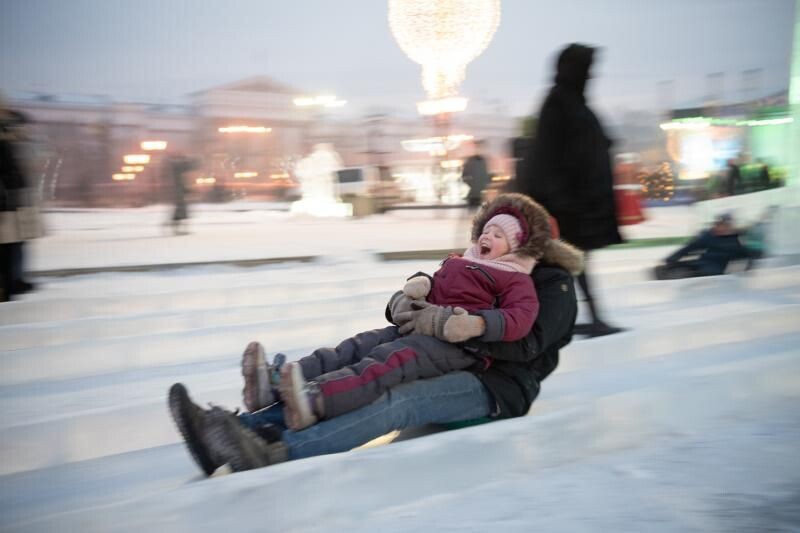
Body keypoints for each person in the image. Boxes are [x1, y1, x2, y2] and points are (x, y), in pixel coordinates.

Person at [167, 217, 583, 475]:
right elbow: (434, 289)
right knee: (357, 365)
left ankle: (277, 452)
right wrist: (405, 304)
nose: (496, 235)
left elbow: (527, 344)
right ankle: (240, 430)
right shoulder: (485, 264)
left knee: (401, 399)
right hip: (447, 351)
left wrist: (454, 325)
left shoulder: (552, 284)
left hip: (497, 384)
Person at [262, 193, 558, 431]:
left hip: (456, 346)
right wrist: (421, 285)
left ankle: (318, 400)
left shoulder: (515, 276)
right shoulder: (461, 261)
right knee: (358, 345)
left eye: (499, 235)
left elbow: (520, 319)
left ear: (514, 247)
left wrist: (476, 324)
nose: (488, 237)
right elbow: (436, 286)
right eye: (487, 230)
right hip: (419, 326)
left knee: (389, 361)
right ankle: (280, 382)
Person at [518, 43, 623, 338]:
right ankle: (533, 320)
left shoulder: (574, 102)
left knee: (568, 265)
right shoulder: (559, 103)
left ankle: (578, 317)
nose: (591, 76)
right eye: (587, 70)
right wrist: (562, 202)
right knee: (562, 266)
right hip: (567, 207)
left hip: (579, 205)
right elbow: (547, 157)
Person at [0, 107, 40, 301]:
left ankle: (15, 281)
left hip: (16, 203)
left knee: (17, 244)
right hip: (6, 205)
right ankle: (9, 284)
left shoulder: (12, 144)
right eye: (17, 126)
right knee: (9, 247)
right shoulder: (3, 146)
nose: (22, 129)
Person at [653, 213, 755, 280]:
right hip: (700, 264)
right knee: (665, 268)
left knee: (692, 274)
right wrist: (672, 259)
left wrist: (745, 272)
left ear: (729, 226)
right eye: (718, 225)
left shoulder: (734, 242)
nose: (720, 228)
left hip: (713, 272)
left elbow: (747, 255)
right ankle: (672, 274)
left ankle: (683, 277)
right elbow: (690, 247)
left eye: (724, 225)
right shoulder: (709, 236)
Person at [461, 140, 491, 209]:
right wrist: (472, 184)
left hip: (479, 193)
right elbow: (464, 176)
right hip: (475, 194)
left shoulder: (484, 161)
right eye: (478, 147)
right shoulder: (471, 161)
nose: (480, 150)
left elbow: (487, 174)